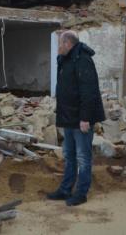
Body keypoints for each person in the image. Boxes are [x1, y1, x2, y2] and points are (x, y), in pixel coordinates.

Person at [46, 31, 106, 206]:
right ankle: (65, 190)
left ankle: (81, 193)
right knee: (69, 155)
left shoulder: (83, 60)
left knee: (83, 157)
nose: (58, 47)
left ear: (68, 43)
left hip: (81, 119)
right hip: (69, 117)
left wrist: (85, 118)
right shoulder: (66, 59)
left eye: (60, 44)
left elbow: (89, 91)